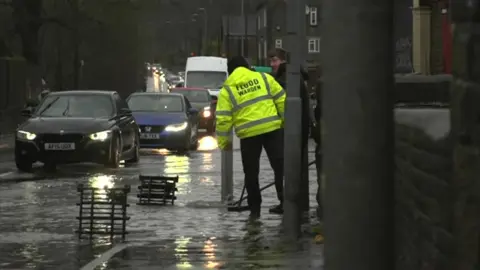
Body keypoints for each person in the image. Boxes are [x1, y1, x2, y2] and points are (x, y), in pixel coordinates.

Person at [215, 56, 286, 219]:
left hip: (249, 134)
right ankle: (285, 202)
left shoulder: (227, 89)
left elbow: (223, 119)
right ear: (247, 66)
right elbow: (282, 99)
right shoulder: (263, 78)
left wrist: (224, 143)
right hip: (272, 129)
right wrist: (284, 121)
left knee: (251, 173)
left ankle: (255, 209)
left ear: (230, 71)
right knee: (280, 167)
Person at [268, 48, 312, 214]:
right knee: (291, 166)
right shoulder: (293, 75)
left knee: (283, 167)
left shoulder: (286, 77)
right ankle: (292, 201)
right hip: (297, 127)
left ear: (283, 61)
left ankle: (288, 202)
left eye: (274, 61)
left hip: (289, 128)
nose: (272, 64)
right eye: (271, 61)